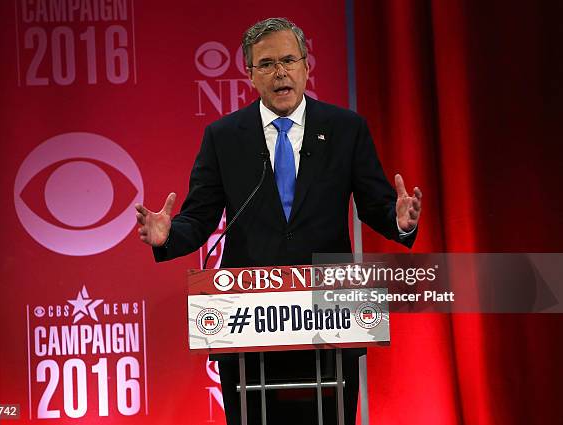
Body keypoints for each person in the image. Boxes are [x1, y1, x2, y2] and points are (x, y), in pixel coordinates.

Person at [136, 17, 422, 425]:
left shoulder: (345, 129)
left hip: (331, 312)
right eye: (267, 64)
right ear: (250, 75)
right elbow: (198, 218)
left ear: (307, 66)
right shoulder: (225, 136)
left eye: (289, 60)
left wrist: (400, 222)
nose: (280, 72)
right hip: (247, 317)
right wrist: (168, 235)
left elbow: (376, 205)